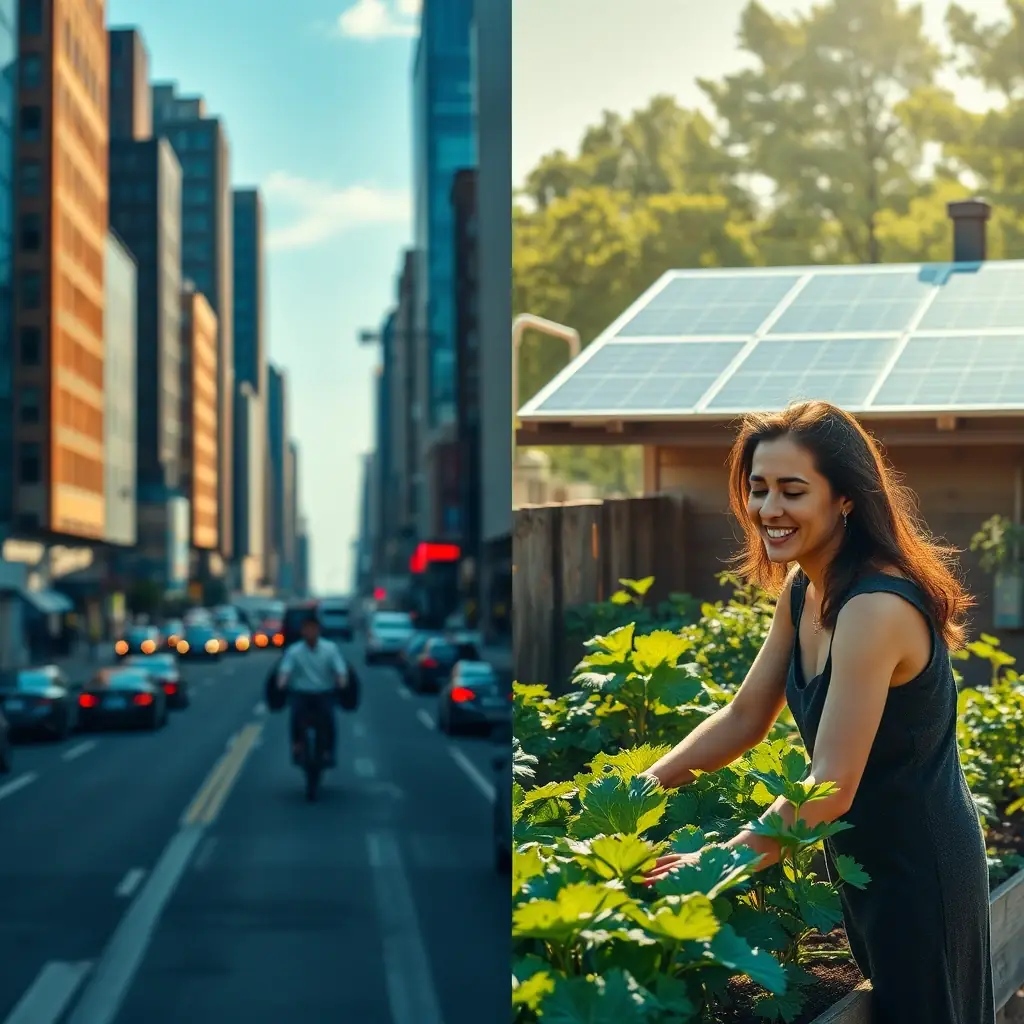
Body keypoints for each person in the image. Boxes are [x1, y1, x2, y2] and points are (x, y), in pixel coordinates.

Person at [641, 400, 994, 1024]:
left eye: (792, 490)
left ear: (846, 499)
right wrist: (640, 788)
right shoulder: (807, 590)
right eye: (758, 489)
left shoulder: (873, 608)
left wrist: (718, 862)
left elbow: (829, 786)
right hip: (867, 862)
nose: (768, 510)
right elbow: (744, 717)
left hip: (919, 869)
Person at [276, 611, 348, 766]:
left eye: (313, 628)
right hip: (301, 693)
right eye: (307, 629)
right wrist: (282, 683)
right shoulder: (294, 651)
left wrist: (341, 683)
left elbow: (340, 670)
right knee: (295, 718)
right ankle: (297, 746)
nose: (310, 632)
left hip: (324, 693)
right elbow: (285, 671)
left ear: (319, 630)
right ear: (302, 631)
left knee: (329, 720)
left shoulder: (330, 649)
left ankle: (329, 751)